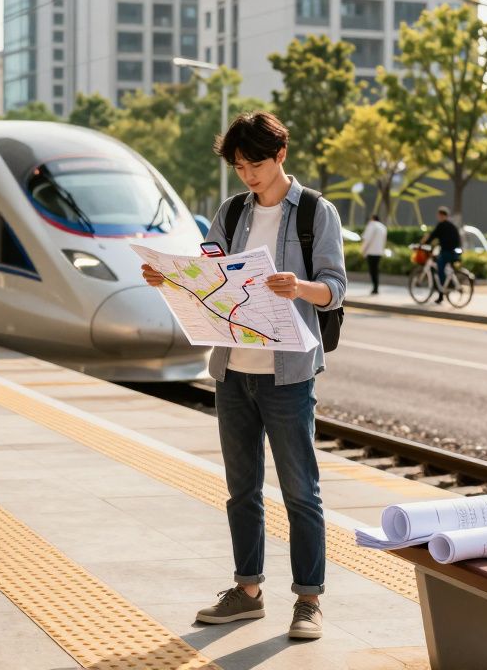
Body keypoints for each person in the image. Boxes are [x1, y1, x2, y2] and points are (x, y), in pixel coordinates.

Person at [142, 111, 345, 641]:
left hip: (289, 375)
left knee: (301, 491)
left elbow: (336, 288)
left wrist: (299, 288)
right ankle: (248, 591)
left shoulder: (316, 213)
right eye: (239, 166)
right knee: (242, 490)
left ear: (280, 156)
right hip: (233, 371)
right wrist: (169, 277)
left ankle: (308, 600)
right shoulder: (232, 213)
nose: (248, 175)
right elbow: (209, 273)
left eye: (256, 163)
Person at [420, 207, 461, 304]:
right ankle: (441, 295)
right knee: (443, 268)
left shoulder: (442, 225)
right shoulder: (452, 225)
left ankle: (442, 289)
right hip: (453, 252)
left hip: (447, 252)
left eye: (438, 215)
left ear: (442, 215)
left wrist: (423, 243)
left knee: (439, 270)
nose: (438, 217)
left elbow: (433, 235)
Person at [359, 213, 387, 294]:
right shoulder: (383, 227)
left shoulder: (371, 225)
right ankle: (376, 287)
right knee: (376, 270)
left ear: (372, 218)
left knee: (372, 270)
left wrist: (362, 250)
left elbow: (367, 239)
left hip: (371, 252)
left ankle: (375, 288)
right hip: (379, 252)